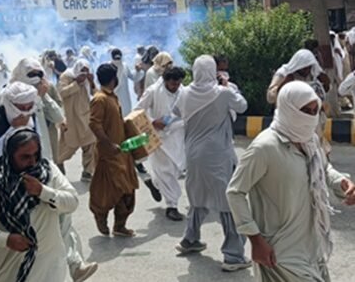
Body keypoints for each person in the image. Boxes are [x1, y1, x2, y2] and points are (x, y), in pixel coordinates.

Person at [227, 82, 355, 282]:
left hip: (312, 245)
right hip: (281, 253)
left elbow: (323, 168)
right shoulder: (264, 147)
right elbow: (235, 192)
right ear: (288, 108)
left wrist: (341, 183)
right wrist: (255, 239)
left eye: (314, 111)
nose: (310, 117)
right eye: (305, 111)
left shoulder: (310, 140)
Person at [0, 129, 80, 282]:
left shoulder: (50, 173)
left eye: (36, 155)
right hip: (9, 271)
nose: (32, 162)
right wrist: (5, 239)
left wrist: (43, 192)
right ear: (10, 157)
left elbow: (72, 201)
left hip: (48, 268)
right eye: (25, 157)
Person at [173, 55, 251, 272]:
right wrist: (227, 86)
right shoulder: (222, 93)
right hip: (218, 155)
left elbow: (176, 111)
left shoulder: (184, 93)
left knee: (197, 196)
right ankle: (233, 256)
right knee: (227, 203)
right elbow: (242, 106)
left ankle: (190, 239)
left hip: (193, 155)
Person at [89, 63, 139, 237]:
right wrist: (108, 144)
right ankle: (100, 216)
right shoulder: (100, 99)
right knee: (108, 191)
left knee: (128, 189)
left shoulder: (112, 97)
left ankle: (120, 226)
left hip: (122, 151)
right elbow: (94, 124)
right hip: (108, 155)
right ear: (113, 79)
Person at [135, 66, 187, 221]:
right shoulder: (152, 91)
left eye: (178, 83)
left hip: (178, 135)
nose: (175, 87)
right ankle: (172, 206)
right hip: (158, 137)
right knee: (166, 171)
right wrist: (153, 121)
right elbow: (138, 111)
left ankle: (154, 184)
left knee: (176, 169)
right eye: (172, 84)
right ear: (165, 81)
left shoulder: (184, 92)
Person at [9, 58, 65, 163]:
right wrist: (37, 98)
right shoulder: (11, 92)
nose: (35, 78)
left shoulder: (46, 88)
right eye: (31, 74)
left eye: (39, 74)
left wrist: (44, 96)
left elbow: (58, 117)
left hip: (46, 142)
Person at [56, 59, 96, 182]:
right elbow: (61, 93)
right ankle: (58, 163)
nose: (84, 73)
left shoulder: (87, 80)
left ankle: (87, 171)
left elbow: (95, 94)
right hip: (71, 117)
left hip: (86, 116)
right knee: (69, 146)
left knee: (90, 144)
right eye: (82, 70)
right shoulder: (67, 77)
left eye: (86, 70)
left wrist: (91, 82)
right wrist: (76, 83)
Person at [111, 48, 144, 117]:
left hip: (124, 97)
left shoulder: (125, 66)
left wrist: (137, 71)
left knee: (125, 115)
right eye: (116, 58)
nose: (117, 60)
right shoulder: (108, 67)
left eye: (118, 58)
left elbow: (133, 77)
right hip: (112, 96)